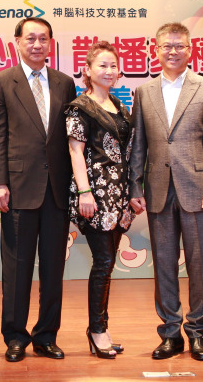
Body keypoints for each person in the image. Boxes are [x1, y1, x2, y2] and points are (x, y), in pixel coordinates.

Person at [129, 22, 203, 362]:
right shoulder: (144, 92)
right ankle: (170, 333)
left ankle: (197, 332)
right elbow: (138, 145)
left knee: (199, 265)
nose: (173, 51)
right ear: (155, 51)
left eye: (179, 46)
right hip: (157, 189)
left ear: (190, 50)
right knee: (164, 265)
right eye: (166, 46)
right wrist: (134, 185)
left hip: (197, 191)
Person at [0, 17, 77, 362]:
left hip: (56, 191)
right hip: (18, 189)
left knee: (53, 269)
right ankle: (15, 337)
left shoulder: (65, 83)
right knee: (17, 269)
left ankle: (46, 336)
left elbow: (70, 138)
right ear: (17, 42)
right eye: (30, 39)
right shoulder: (1, 82)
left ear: (51, 43)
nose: (37, 45)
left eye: (43, 39)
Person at [65, 40, 137, 359]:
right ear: (88, 70)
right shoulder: (80, 107)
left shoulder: (120, 106)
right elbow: (75, 151)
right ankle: (96, 331)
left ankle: (101, 329)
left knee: (106, 266)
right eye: (102, 65)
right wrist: (84, 192)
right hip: (94, 195)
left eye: (113, 65)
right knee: (104, 261)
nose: (109, 70)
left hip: (119, 196)